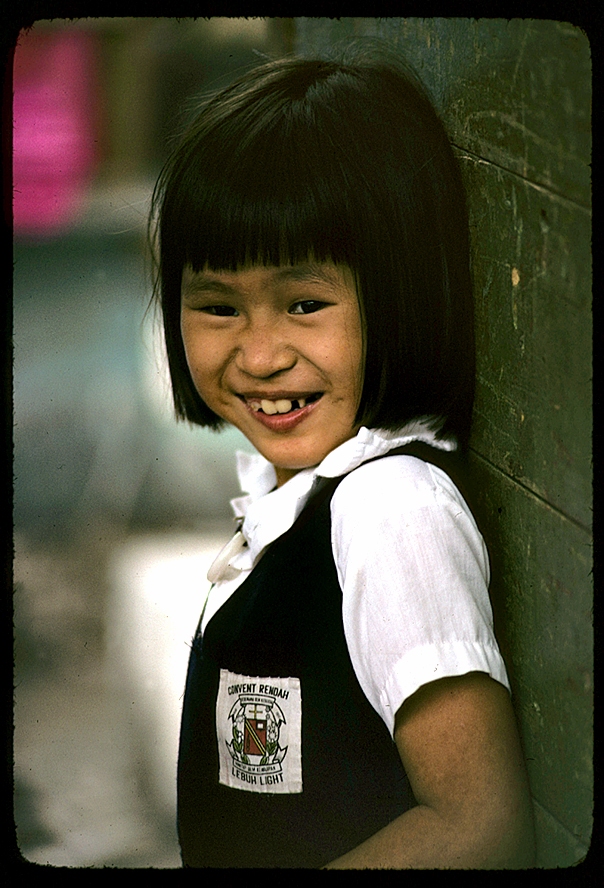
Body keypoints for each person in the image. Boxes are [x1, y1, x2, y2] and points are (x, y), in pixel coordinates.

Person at [149, 52, 535, 869]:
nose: (257, 356)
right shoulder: (294, 493)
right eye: (217, 306)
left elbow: (476, 823)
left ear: (396, 292)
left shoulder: (390, 510)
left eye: (303, 304)